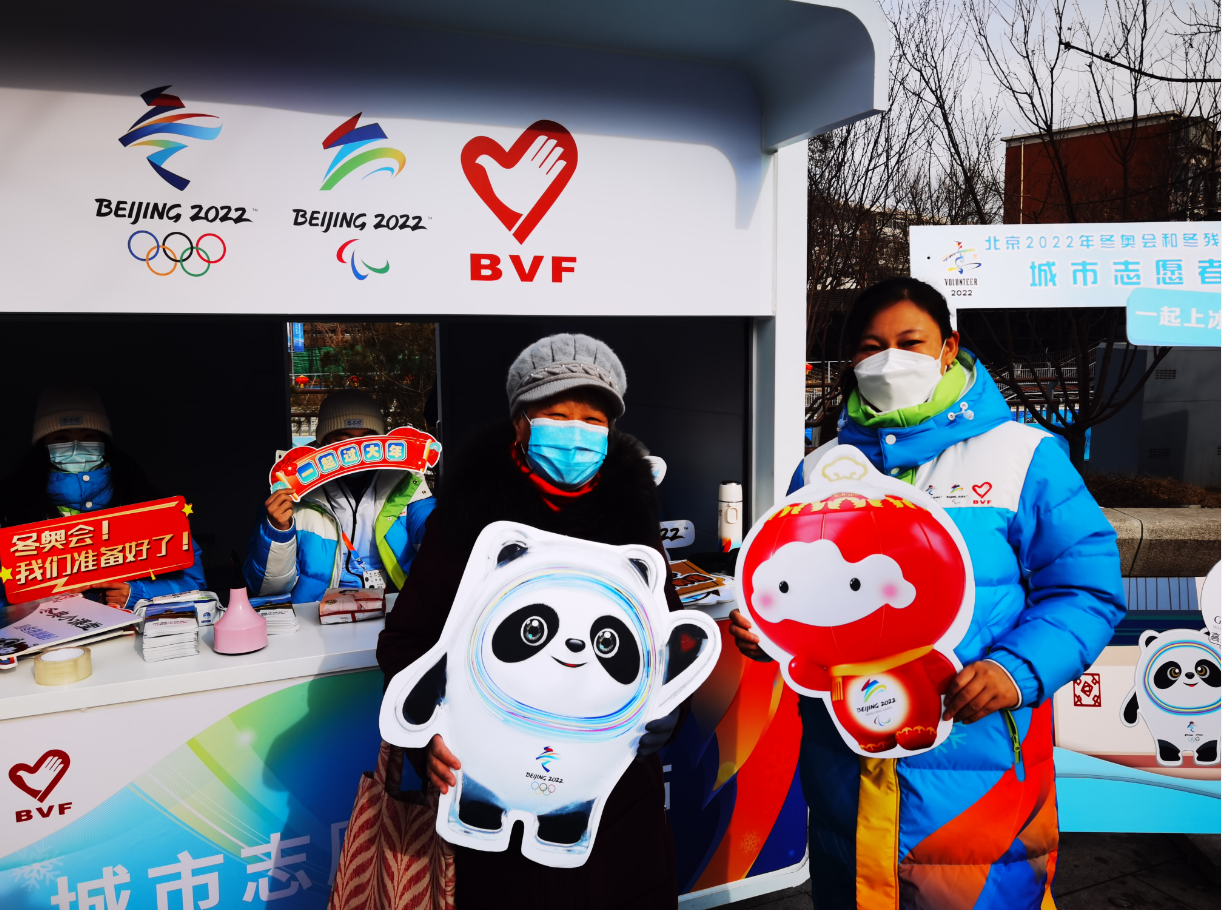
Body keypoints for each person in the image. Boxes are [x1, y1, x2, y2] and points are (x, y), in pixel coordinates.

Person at [729, 278, 1125, 909]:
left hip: (977, 758)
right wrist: (773, 635)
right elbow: (806, 589)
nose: (890, 359)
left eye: (910, 342)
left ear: (949, 348)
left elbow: (1086, 589)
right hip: (846, 761)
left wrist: (1017, 669)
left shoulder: (1021, 456)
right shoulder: (822, 469)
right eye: (871, 346)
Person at [377, 333, 684, 910]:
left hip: (611, 802)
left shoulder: (631, 515)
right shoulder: (467, 517)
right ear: (520, 423)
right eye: (557, 415)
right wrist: (427, 737)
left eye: (593, 419)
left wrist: (669, 709)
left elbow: (663, 641)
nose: (576, 432)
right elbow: (406, 641)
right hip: (494, 796)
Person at [0, 385, 207, 608]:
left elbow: (194, 583)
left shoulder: (143, 501)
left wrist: (137, 593)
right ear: (43, 445)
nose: (76, 446)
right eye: (62, 438)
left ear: (103, 442)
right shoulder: (13, 509)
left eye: (89, 436)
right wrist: (39, 600)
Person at [244, 389, 435, 602]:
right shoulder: (290, 490)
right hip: (314, 612)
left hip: (392, 605)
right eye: (343, 442)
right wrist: (278, 531)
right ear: (323, 443)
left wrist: (447, 523)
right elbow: (267, 587)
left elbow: (435, 530)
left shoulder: (405, 481)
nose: (356, 451)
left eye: (367, 441)